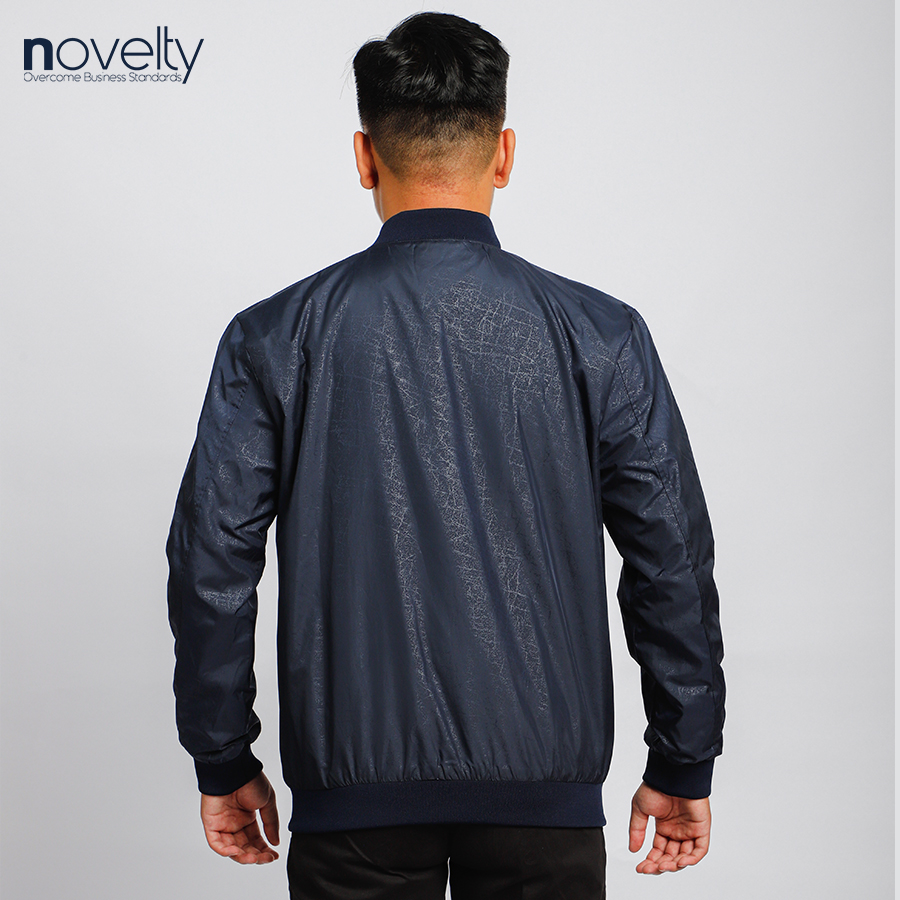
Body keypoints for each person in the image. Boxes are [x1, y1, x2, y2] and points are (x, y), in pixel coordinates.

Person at [166, 11, 725, 898]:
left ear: (364, 157)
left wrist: (223, 755)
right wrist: (683, 757)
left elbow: (211, 563)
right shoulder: (601, 335)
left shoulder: (273, 337)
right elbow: (671, 559)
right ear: (504, 154)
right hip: (545, 802)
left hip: (352, 807)